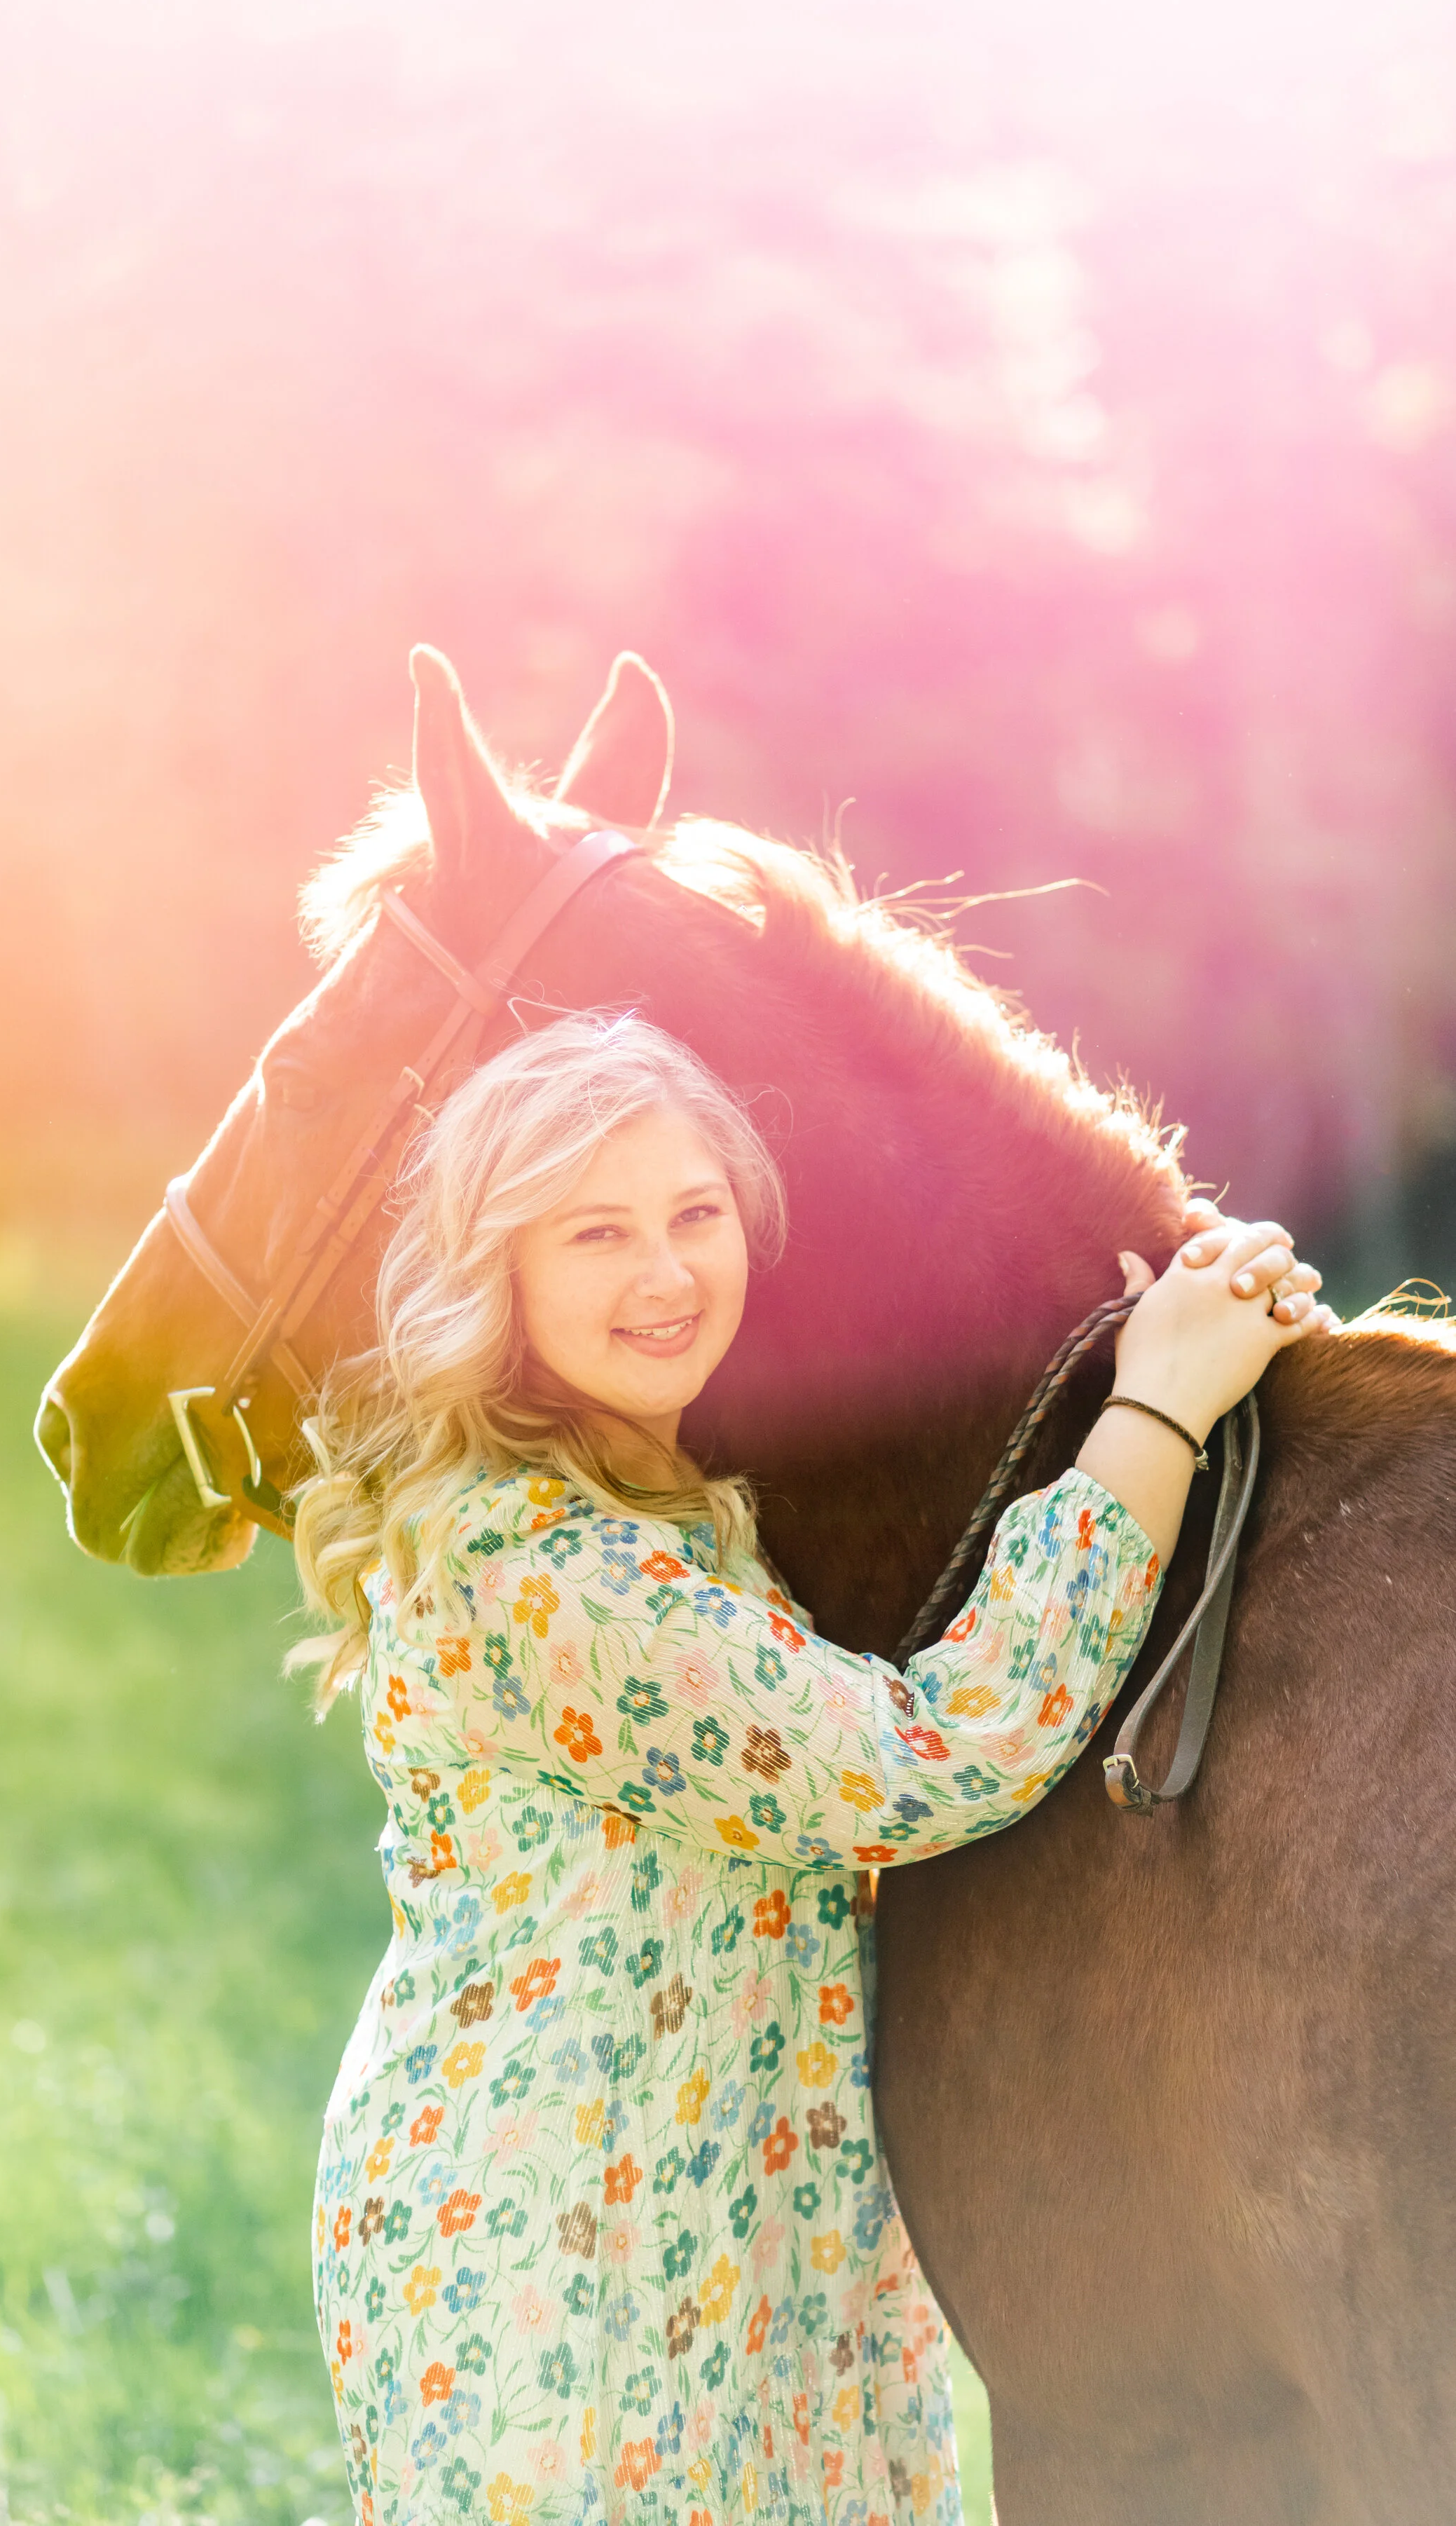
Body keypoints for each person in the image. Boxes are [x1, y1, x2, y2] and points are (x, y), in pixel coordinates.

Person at [294, 1013, 1332, 2526]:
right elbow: (929, 1755)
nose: (664, 1275)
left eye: (694, 1214)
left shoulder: (665, 1506)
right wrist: (1156, 1405)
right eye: (596, 1233)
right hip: (558, 2255)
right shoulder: (537, 1566)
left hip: (743, 2224)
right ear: (498, 1275)